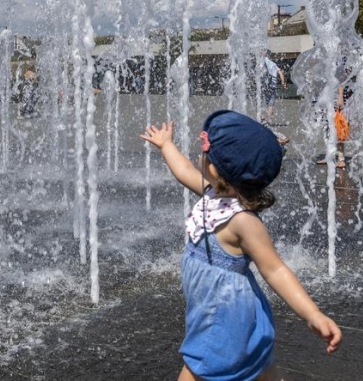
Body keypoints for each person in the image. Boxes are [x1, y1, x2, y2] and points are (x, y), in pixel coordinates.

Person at [140, 110, 342, 381]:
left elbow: (275, 270)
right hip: (214, 307)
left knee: (196, 368)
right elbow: (184, 171)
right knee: (258, 368)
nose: (199, 157)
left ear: (214, 168)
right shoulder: (215, 193)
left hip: (224, 314)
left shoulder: (242, 221)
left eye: (204, 152)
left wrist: (312, 314)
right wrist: (167, 145)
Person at [261, 49, 287, 126]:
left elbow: (259, 72)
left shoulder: (262, 63)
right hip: (273, 85)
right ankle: (269, 120)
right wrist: (283, 82)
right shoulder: (273, 64)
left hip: (264, 85)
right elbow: (280, 73)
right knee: (270, 104)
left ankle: (262, 118)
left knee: (260, 102)